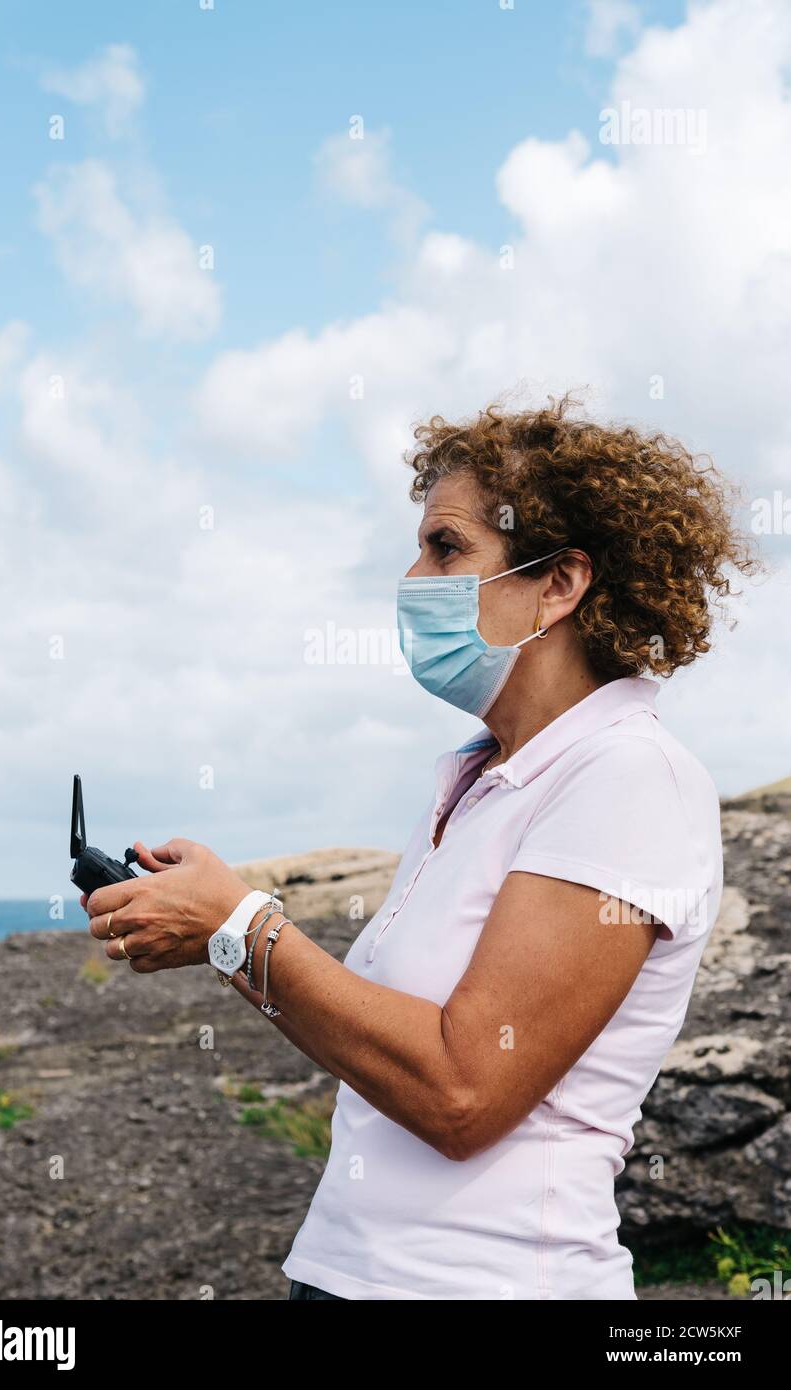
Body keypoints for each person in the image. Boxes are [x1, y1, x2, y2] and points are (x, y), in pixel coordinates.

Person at [82, 395, 757, 1300]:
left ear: (559, 584)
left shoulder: (627, 777)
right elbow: (381, 1044)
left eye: (445, 547)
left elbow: (462, 1091)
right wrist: (216, 931)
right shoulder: (479, 780)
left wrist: (241, 923)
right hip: (344, 1274)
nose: (412, 573)